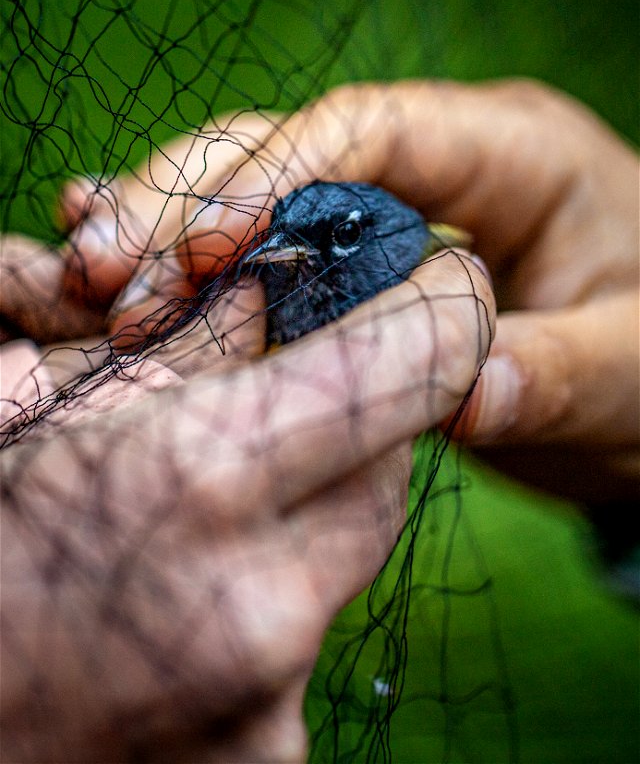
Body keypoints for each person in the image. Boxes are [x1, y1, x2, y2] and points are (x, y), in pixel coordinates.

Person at [0, 79, 637, 762]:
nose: (284, 251)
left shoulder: (438, 265)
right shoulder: (258, 290)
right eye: (278, 236)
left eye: (340, 237)